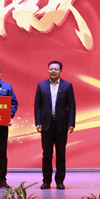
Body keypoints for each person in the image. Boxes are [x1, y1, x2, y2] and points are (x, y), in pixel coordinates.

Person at [34, 60, 76, 190]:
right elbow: (37, 106)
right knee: (47, 154)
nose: (53, 71)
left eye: (56, 69)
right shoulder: (41, 85)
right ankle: (46, 181)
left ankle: (60, 181)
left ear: (61, 71)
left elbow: (72, 106)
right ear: (48, 70)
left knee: (61, 154)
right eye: (51, 69)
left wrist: (71, 123)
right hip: (46, 124)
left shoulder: (67, 85)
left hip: (61, 125)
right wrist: (38, 122)